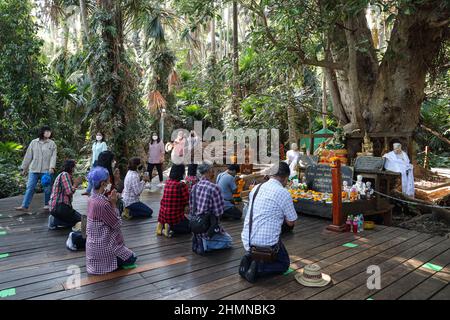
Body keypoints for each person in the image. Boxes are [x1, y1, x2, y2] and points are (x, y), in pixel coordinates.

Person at [239, 162, 298, 283]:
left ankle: (251, 257)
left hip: (248, 240)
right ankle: (259, 269)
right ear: (286, 178)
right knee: (284, 264)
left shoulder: (256, 188)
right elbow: (291, 222)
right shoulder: (283, 193)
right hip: (266, 243)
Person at [85, 167, 137, 275]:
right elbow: (117, 224)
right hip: (105, 250)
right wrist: (114, 204)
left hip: (93, 251)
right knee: (132, 258)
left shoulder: (91, 199)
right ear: (103, 183)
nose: (110, 183)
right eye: (108, 181)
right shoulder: (103, 204)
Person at [190, 162, 232, 255]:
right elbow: (219, 212)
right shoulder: (214, 188)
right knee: (229, 241)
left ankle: (199, 239)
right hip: (208, 227)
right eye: (212, 170)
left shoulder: (194, 187)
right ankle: (206, 244)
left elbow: (191, 208)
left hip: (196, 225)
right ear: (209, 171)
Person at [15, 126, 57, 212]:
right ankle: (24, 206)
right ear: (42, 132)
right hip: (34, 169)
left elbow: (53, 157)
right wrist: (24, 168)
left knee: (47, 188)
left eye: (50, 131)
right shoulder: (34, 142)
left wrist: (52, 167)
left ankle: (47, 204)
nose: (49, 133)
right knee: (30, 187)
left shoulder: (52, 144)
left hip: (46, 170)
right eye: (47, 131)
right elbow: (28, 156)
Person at [47, 160, 83, 230]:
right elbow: (69, 192)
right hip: (59, 207)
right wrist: (76, 184)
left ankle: (57, 220)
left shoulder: (65, 175)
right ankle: (55, 221)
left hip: (59, 207)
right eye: (74, 167)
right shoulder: (64, 174)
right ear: (71, 167)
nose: (74, 169)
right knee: (82, 221)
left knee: (76, 222)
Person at [156, 164, 190, 237]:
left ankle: (161, 225)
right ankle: (169, 228)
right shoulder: (181, 185)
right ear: (181, 173)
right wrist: (188, 188)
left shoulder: (167, 183)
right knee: (190, 227)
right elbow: (187, 200)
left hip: (163, 216)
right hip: (175, 218)